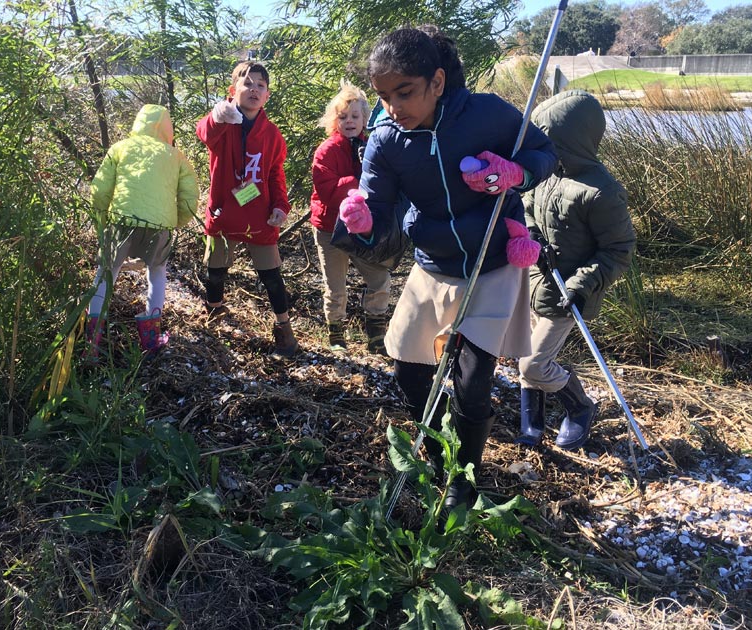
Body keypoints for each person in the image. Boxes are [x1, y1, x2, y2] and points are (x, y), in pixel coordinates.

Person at [338, 26, 557, 509]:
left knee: (473, 381)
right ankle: (439, 455)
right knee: (410, 371)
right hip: (433, 265)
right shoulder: (387, 140)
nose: (394, 107)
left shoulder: (487, 114)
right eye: (383, 96)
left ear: (437, 82)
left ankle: (466, 478)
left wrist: (518, 172)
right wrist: (362, 217)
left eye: (405, 92)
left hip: (493, 263)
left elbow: (545, 152)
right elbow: (377, 204)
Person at [517, 89, 636, 451]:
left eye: (549, 141)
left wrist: (580, 285)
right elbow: (527, 206)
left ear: (573, 139)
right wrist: (531, 235)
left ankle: (581, 406)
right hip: (536, 281)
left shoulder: (601, 191)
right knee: (528, 352)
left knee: (533, 365)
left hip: (566, 295)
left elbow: (618, 249)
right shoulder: (548, 175)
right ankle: (532, 422)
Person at [196, 60, 298, 357]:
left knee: (272, 275)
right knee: (216, 269)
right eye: (248, 83)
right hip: (223, 211)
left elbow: (275, 175)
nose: (254, 89)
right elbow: (204, 133)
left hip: (260, 214)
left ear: (267, 95)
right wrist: (217, 116)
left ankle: (284, 329)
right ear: (233, 90)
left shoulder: (272, 135)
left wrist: (280, 205)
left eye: (261, 86)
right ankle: (214, 312)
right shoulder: (222, 122)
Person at [85, 103, 198, 356]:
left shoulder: (120, 148)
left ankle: (92, 339)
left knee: (106, 273)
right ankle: (150, 337)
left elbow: (100, 190)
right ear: (168, 130)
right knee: (156, 272)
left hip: (120, 221)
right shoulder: (175, 156)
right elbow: (190, 198)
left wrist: (103, 219)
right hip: (159, 226)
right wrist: (175, 221)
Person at [310, 82, 393, 354]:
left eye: (355, 116)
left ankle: (376, 335)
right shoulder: (327, 150)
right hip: (330, 227)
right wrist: (357, 183)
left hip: (362, 227)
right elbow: (326, 189)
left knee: (379, 278)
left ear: (365, 118)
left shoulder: (371, 146)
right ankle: (336, 335)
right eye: (343, 117)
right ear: (334, 119)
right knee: (335, 285)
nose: (349, 122)